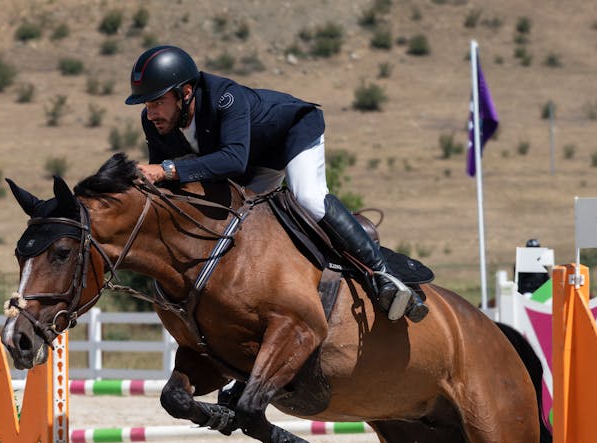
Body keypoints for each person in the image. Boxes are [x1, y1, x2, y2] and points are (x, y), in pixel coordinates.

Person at [125, 45, 427, 322]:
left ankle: (384, 276)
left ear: (186, 92)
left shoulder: (225, 98)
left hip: (290, 137)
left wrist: (164, 170)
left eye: (157, 102)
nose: (151, 113)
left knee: (308, 198)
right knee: (240, 225)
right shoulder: (155, 121)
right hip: (253, 160)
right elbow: (170, 184)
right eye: (146, 104)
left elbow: (232, 160)